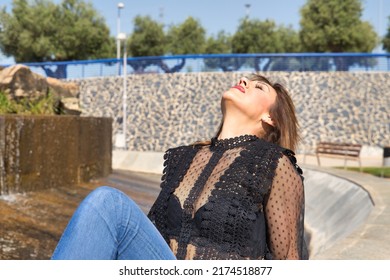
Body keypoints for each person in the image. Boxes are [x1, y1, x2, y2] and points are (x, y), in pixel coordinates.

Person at [51, 74, 308, 260]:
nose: (243, 80)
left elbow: (289, 260)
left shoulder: (274, 163)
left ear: (270, 117)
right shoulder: (183, 158)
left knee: (108, 203)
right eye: (246, 80)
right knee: (106, 207)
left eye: (258, 87)